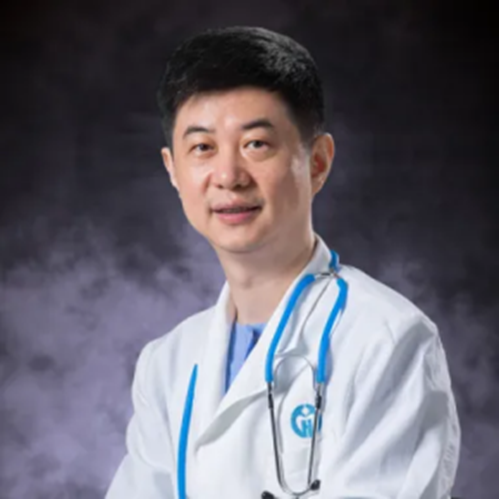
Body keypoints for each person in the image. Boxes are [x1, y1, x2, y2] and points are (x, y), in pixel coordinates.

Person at [105, 26, 461, 499]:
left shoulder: (387, 340)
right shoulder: (167, 362)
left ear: (317, 162)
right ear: (173, 169)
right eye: (203, 147)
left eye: (256, 143)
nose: (228, 176)